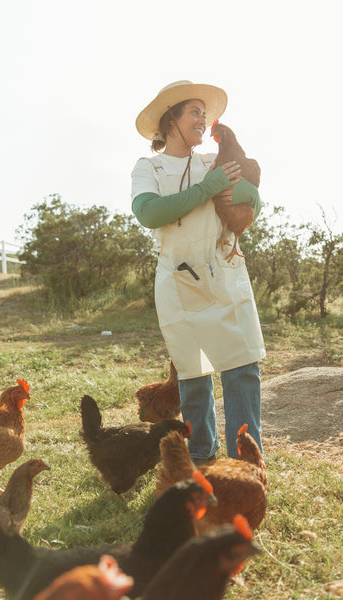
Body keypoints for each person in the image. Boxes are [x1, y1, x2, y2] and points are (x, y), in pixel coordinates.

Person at [131, 80, 266, 463]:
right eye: (194, 111)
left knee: (241, 369)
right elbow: (149, 213)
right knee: (192, 373)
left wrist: (239, 194)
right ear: (170, 119)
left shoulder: (212, 160)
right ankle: (203, 455)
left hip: (223, 271)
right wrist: (208, 190)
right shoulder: (149, 167)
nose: (202, 118)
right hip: (176, 278)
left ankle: (246, 460)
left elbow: (253, 198)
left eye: (203, 112)